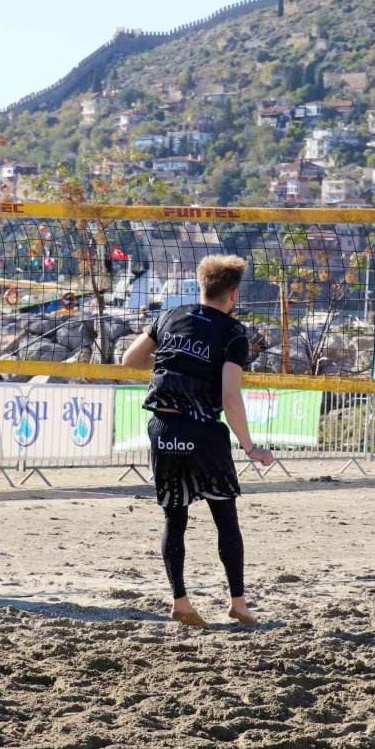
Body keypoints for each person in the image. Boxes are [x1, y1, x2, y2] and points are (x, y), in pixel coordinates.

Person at [122, 254, 274, 629]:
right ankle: (238, 606)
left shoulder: (171, 316)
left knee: (174, 519)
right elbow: (230, 397)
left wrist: (175, 360)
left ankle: (181, 603)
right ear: (234, 295)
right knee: (225, 518)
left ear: (203, 287)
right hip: (203, 431)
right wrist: (251, 448)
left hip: (162, 429)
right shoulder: (234, 333)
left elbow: (130, 360)